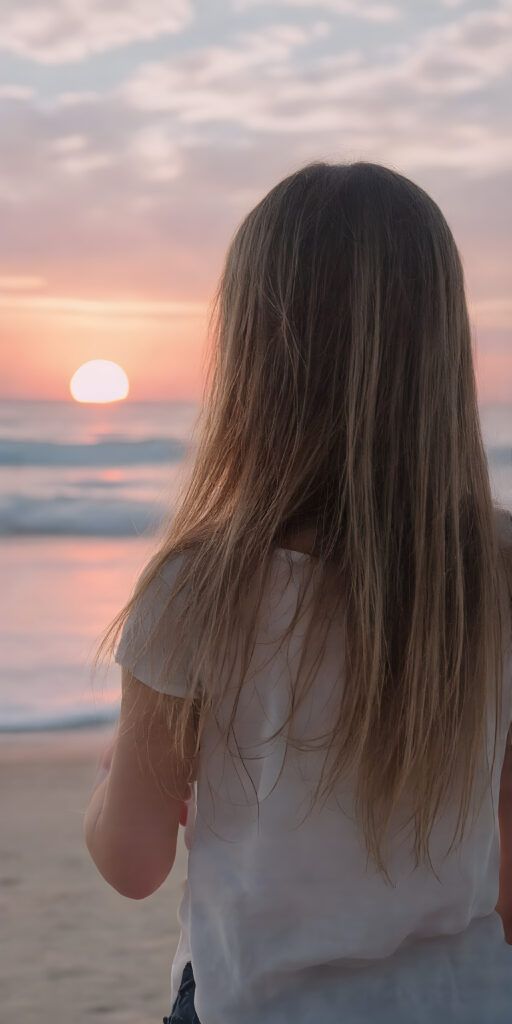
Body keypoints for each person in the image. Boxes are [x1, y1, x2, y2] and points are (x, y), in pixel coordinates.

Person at [83, 161, 512, 1024]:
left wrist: (115, 779)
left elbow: (130, 863)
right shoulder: (499, 567)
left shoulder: (199, 585)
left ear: (250, 354)